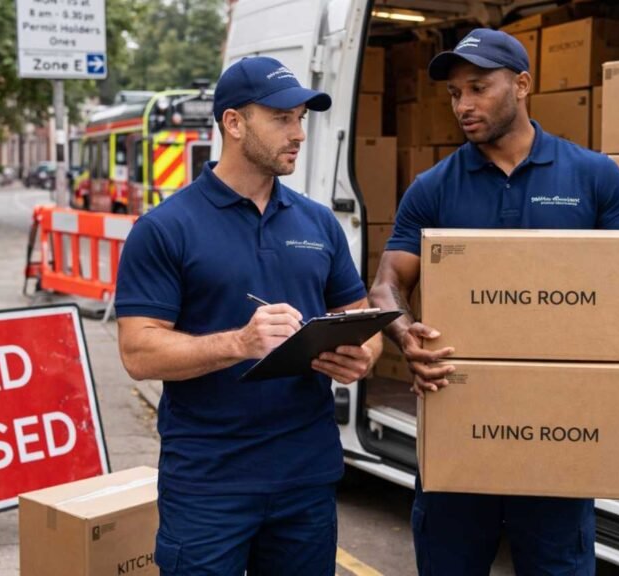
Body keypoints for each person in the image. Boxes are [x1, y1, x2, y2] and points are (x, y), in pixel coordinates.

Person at [368, 29, 619, 575]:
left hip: (559, 438)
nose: (463, 104)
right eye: (454, 94)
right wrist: (405, 333)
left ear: (523, 84)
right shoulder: (434, 188)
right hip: (460, 436)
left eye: (478, 88)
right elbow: (387, 284)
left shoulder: (591, 176)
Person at [115, 56, 381, 575]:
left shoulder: (318, 222)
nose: (299, 133)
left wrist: (361, 354)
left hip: (306, 478)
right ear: (234, 123)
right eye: (282, 118)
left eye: (302, 118)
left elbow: (361, 317)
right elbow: (138, 351)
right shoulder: (166, 228)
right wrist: (238, 343)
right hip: (209, 484)